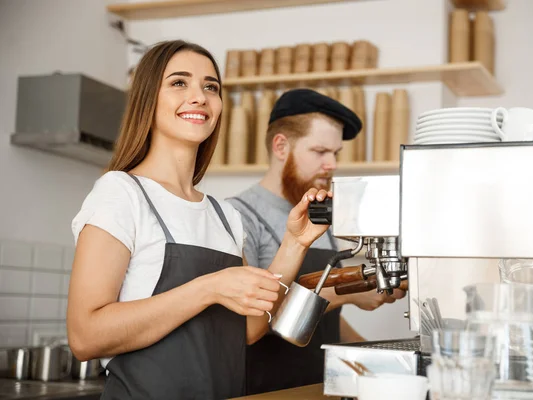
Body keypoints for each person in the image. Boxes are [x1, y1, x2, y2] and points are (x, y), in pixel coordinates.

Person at [66, 41, 332, 400]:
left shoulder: (225, 216)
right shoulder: (121, 193)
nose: (200, 97)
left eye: (211, 87)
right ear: (148, 99)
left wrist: (294, 244)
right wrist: (209, 288)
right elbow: (85, 337)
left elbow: (249, 330)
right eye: (179, 83)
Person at [227, 88, 407, 395]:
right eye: (320, 151)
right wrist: (347, 295)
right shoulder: (238, 216)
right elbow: (250, 325)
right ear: (281, 146)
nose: (332, 164)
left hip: (318, 386)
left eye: (335, 154)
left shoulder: (318, 214)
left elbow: (328, 323)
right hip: (266, 390)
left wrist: (379, 360)